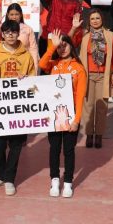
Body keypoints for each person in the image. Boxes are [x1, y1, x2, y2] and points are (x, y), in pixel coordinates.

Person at [0, 19, 36, 196]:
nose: (11, 35)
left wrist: (26, 80)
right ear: (2, 35)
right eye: (7, 32)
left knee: (16, 143)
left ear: (18, 33)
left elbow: (34, 82)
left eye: (14, 32)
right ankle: (0, 175)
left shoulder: (26, 56)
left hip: (19, 108)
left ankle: (10, 178)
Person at [40, 30, 88, 198]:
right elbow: (41, 64)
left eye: (64, 45)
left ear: (71, 46)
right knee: (54, 148)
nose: (62, 49)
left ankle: (68, 181)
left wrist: (77, 120)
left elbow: (80, 96)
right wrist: (51, 47)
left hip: (71, 114)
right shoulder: (53, 65)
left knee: (68, 150)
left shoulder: (79, 69)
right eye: (59, 47)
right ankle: (54, 180)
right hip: (54, 115)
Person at [77, 8, 113, 148]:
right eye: (92, 19)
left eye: (97, 18)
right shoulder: (84, 37)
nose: (95, 21)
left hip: (104, 75)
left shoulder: (109, 35)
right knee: (88, 106)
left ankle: (99, 135)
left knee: (102, 107)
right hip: (88, 75)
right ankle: (89, 134)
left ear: (102, 20)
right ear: (88, 22)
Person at [0, 3, 39, 69]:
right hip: (5, 62)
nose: (14, 17)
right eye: (12, 14)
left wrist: (34, 67)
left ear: (21, 15)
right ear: (8, 15)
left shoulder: (28, 29)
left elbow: (33, 49)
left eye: (17, 14)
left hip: (23, 63)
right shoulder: (3, 27)